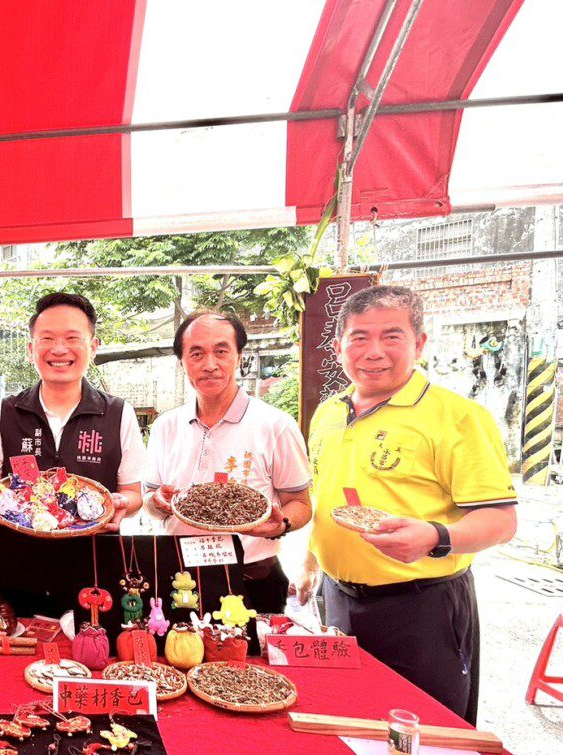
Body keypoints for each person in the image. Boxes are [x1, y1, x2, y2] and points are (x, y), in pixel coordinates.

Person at [298, 285, 517, 724]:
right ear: (340, 346)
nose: (373, 352)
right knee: (348, 723)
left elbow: (502, 519)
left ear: (419, 343)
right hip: (337, 600)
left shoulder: (458, 417)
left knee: (425, 731)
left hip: (421, 608)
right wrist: (311, 563)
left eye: (391, 337)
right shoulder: (329, 413)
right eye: (359, 337)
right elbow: (326, 497)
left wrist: (437, 538)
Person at [0, 292, 146, 617]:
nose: (58, 349)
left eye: (72, 338)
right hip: (17, 578)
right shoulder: (4, 412)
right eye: (47, 338)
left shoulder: (119, 414)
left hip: (96, 578)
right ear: (31, 350)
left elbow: (133, 494)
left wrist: (120, 504)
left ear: (92, 347)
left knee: (94, 659)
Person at [143, 310, 312, 613]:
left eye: (221, 351)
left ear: (239, 356)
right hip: (178, 577)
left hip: (251, 578)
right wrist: (156, 502)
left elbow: (300, 502)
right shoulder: (166, 426)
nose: (210, 365)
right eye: (196, 354)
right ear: (182, 362)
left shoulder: (276, 425)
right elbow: (150, 502)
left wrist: (279, 525)